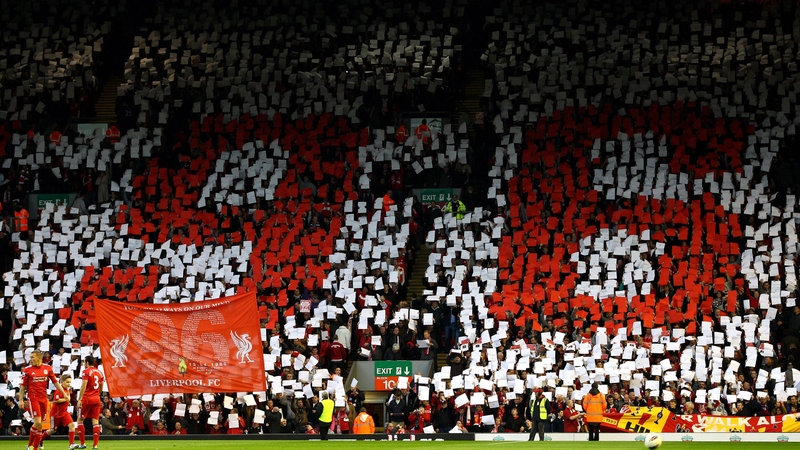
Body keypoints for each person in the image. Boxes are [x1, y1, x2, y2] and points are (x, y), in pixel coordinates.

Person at [20, 349, 67, 450]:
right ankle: (29, 445)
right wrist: (20, 400)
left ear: (39, 358)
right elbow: (23, 386)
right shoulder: (27, 370)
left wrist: (64, 393)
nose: (30, 359)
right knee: (37, 423)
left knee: (40, 426)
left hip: (43, 399)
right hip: (33, 399)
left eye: (32, 357)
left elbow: (55, 382)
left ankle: (35, 448)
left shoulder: (48, 368)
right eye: (30, 357)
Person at [42, 373, 79, 449]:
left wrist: (67, 403)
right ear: (62, 382)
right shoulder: (59, 390)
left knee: (72, 425)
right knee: (52, 430)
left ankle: (71, 444)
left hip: (64, 412)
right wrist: (66, 399)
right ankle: (40, 440)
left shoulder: (67, 390)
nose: (69, 384)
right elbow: (56, 400)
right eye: (67, 382)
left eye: (69, 382)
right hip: (56, 413)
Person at [77, 355, 105, 450]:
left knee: (80, 420)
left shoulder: (86, 371)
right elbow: (101, 386)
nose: (84, 364)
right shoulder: (100, 372)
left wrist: (80, 399)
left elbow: (83, 386)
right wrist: (97, 393)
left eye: (84, 362)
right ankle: (95, 445)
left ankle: (82, 443)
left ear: (87, 362)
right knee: (95, 422)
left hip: (87, 398)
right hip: (96, 398)